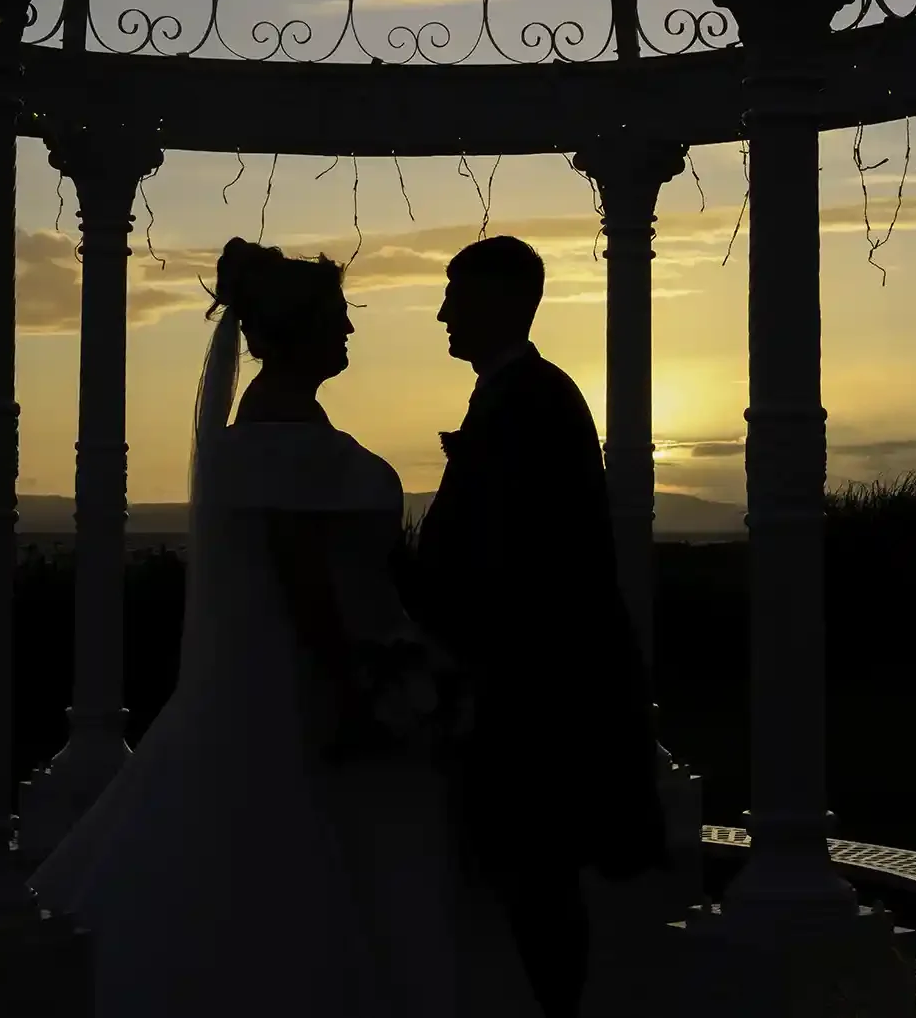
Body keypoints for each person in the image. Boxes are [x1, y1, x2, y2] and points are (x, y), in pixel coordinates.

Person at [29, 238, 540, 1018]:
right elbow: (303, 583)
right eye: (338, 318)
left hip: (335, 672)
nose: (349, 332)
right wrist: (359, 685)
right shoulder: (276, 429)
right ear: (298, 328)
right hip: (313, 692)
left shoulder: (289, 419)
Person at [411, 235, 672, 1018]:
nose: (441, 313)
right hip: (528, 682)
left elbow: (516, 560)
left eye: (455, 294)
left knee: (536, 873)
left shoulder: (530, 400)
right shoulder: (520, 393)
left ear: (498, 298)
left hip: (534, 691)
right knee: (529, 874)